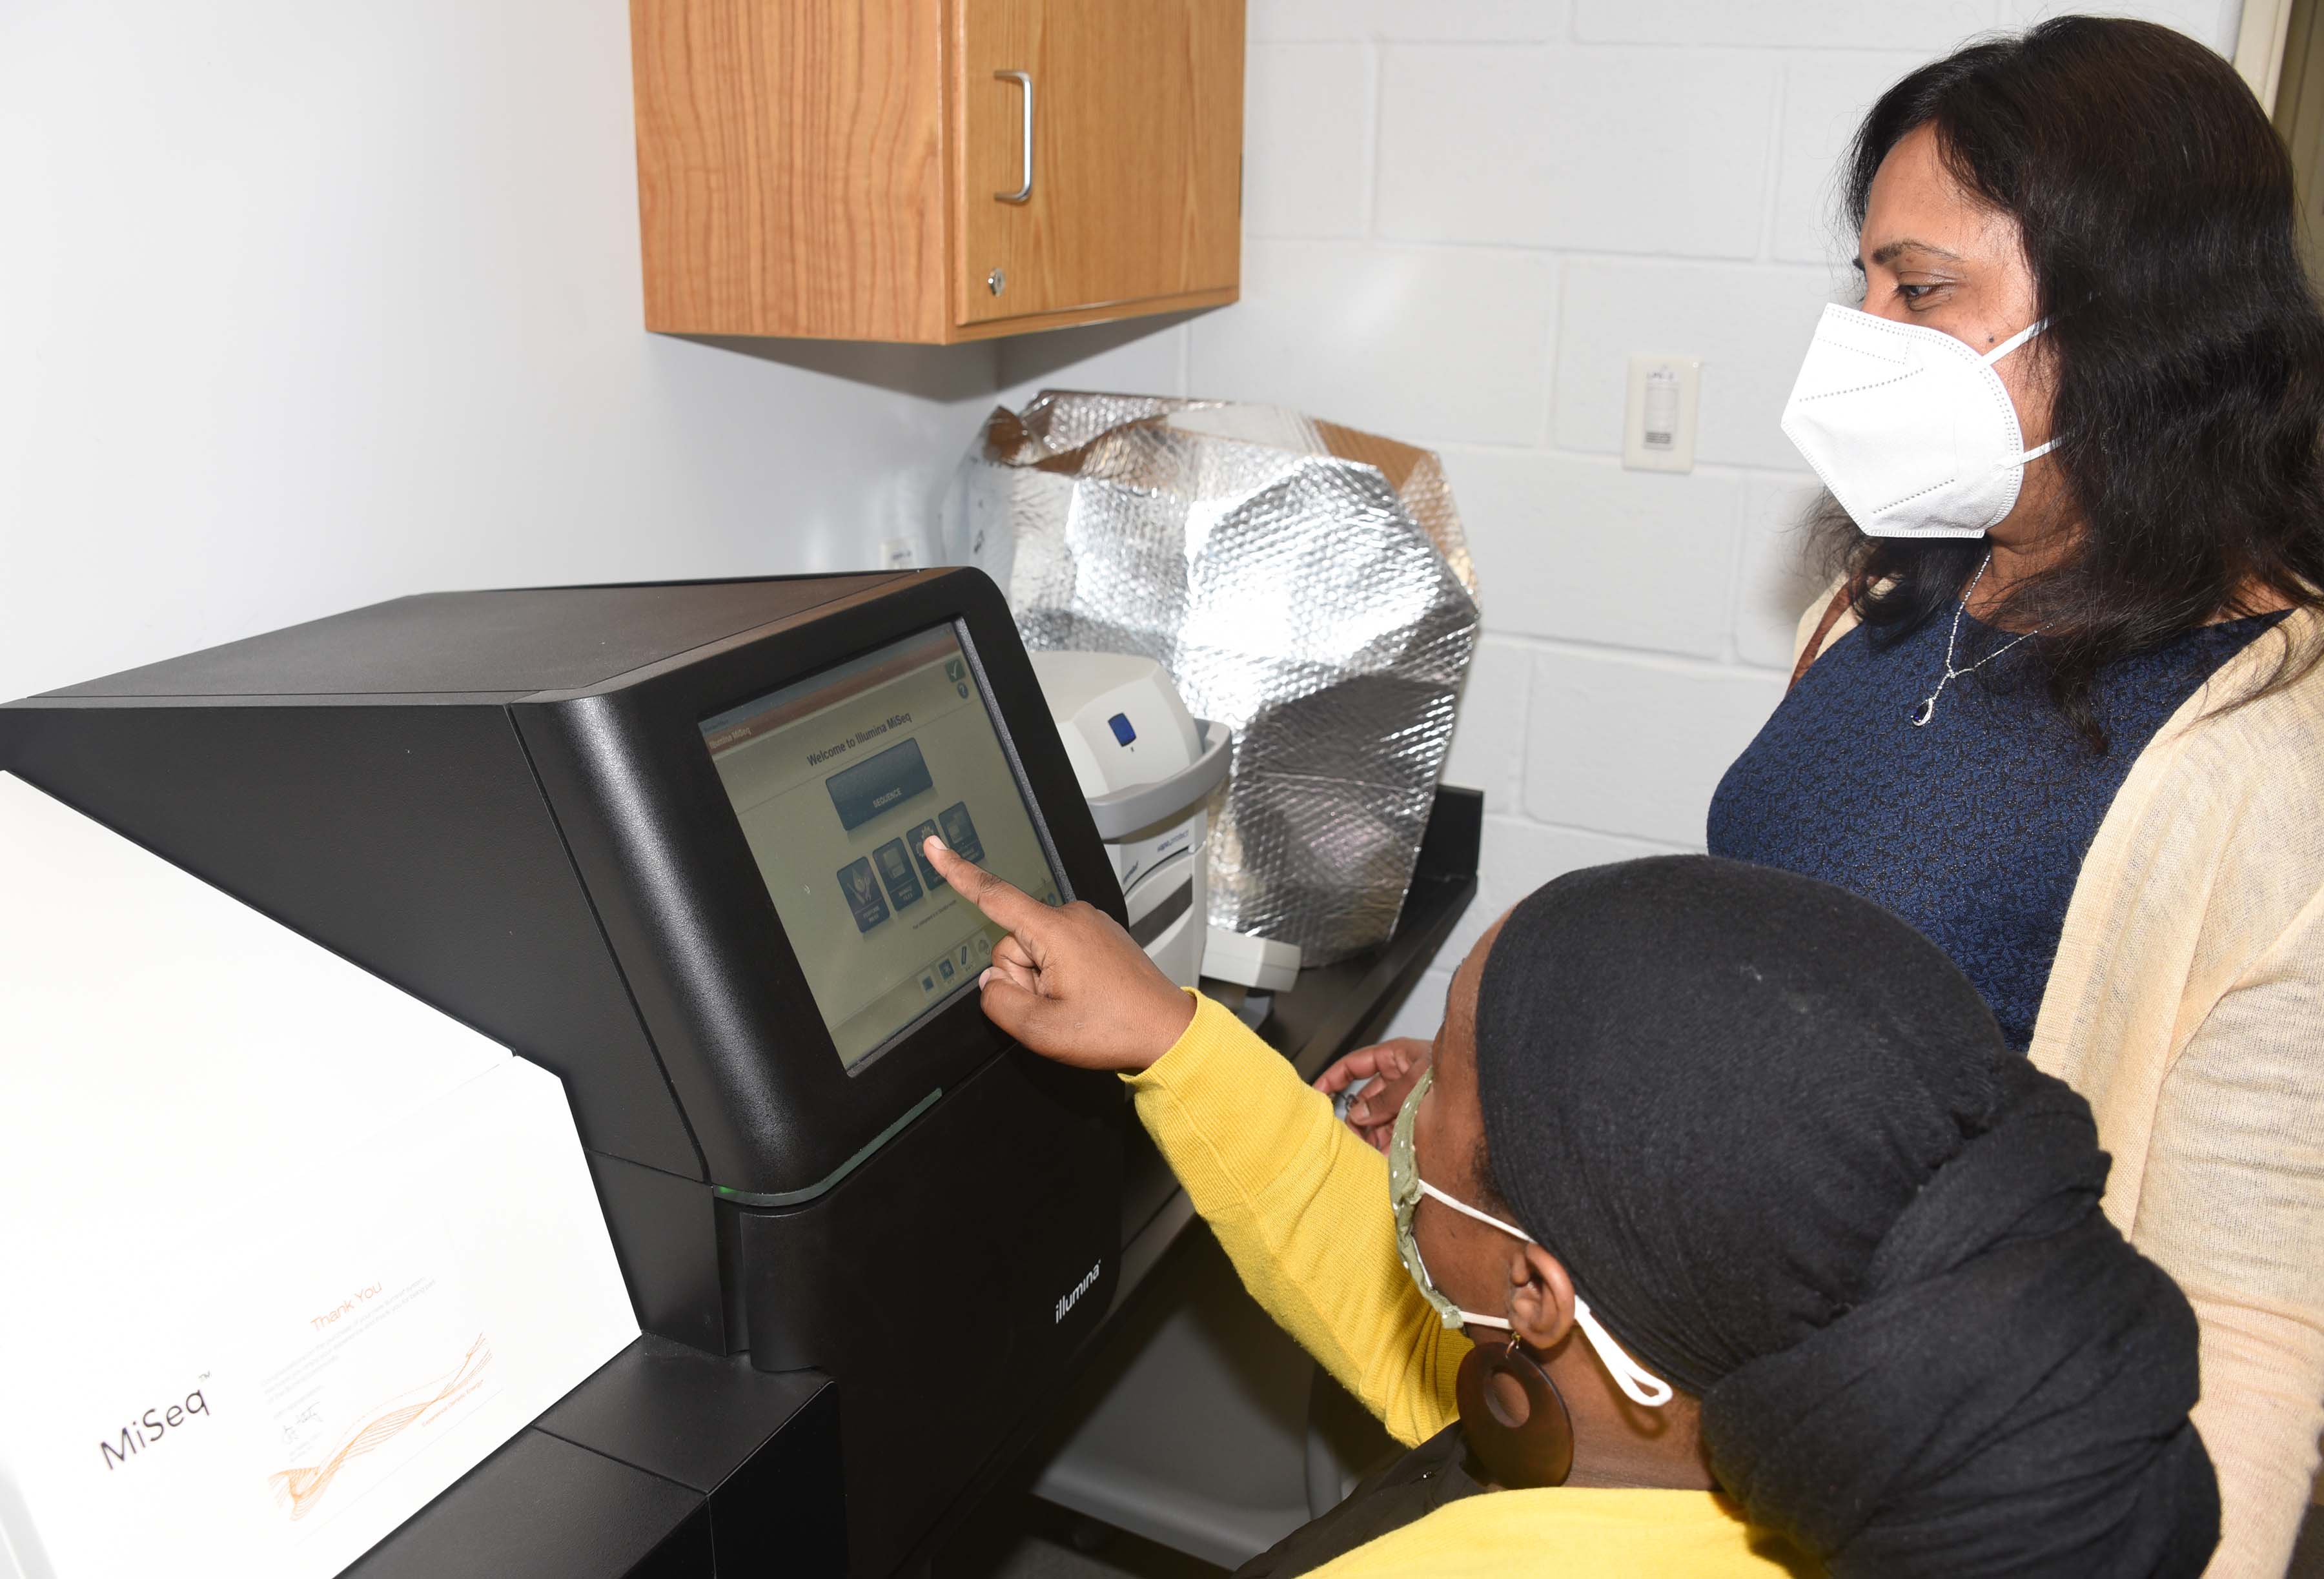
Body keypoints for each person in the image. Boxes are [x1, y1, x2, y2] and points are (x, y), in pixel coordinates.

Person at [1330, 22, 2324, 1573]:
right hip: (1689, 1423)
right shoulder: (1881, 603)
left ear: (2142, 322)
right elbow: (1761, 993)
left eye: (1922, 291)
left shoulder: (2270, 759)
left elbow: (2255, 1335)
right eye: (1864, 278)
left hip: (1900, 1487)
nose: (1865, 331)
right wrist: (1516, 1099)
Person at [925, 834, 2218, 1575]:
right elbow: (1423, 1344)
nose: (1409, 1104)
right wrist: (1172, 1035)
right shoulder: (1774, 1421)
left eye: (1452, 1094)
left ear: (1538, 1289)